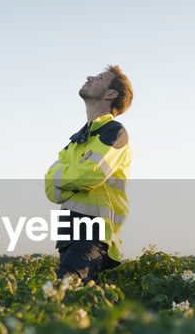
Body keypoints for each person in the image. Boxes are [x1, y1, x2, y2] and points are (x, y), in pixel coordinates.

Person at [44, 65, 133, 282]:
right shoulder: (75, 141)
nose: (89, 77)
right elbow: (49, 188)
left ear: (111, 94)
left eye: (100, 77)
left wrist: (65, 177)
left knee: (63, 294)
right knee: (73, 303)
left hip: (92, 234)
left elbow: (89, 176)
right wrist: (74, 177)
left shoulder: (114, 132)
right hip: (67, 235)